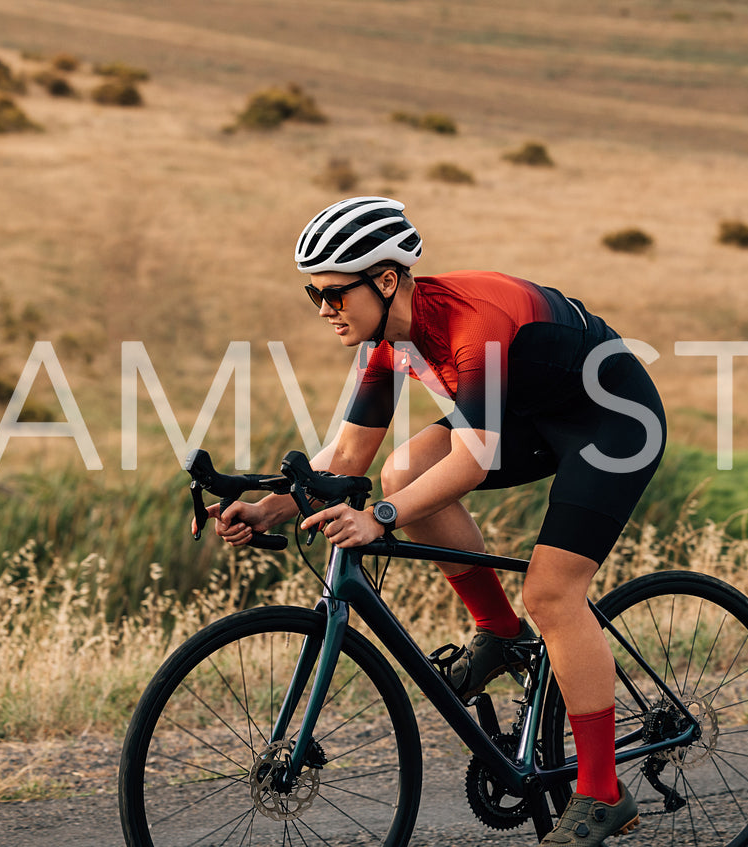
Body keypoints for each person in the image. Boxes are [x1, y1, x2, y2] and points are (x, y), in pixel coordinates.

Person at [206, 196, 666, 845]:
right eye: (314, 292)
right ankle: (498, 634)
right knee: (400, 469)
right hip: (533, 415)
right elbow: (345, 458)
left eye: (334, 293)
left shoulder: (472, 322)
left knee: (552, 592)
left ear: (386, 280)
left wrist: (381, 520)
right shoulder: (388, 342)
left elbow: (473, 460)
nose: (322, 308)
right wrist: (266, 504)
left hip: (613, 422)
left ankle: (600, 793)